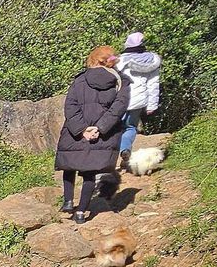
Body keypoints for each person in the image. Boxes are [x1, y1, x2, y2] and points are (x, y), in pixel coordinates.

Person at [55, 46, 130, 224]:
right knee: (90, 172)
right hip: (103, 134)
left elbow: (70, 106)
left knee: (70, 164)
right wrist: (100, 128)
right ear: (109, 60)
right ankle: (81, 212)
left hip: (76, 131)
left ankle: (67, 202)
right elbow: (118, 108)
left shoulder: (80, 79)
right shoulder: (121, 81)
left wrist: (82, 129)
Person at [117, 31, 162, 170]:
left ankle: (110, 156)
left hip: (120, 99)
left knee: (115, 128)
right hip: (138, 101)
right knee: (130, 127)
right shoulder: (152, 61)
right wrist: (152, 105)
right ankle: (125, 149)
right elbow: (153, 84)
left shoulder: (119, 60)